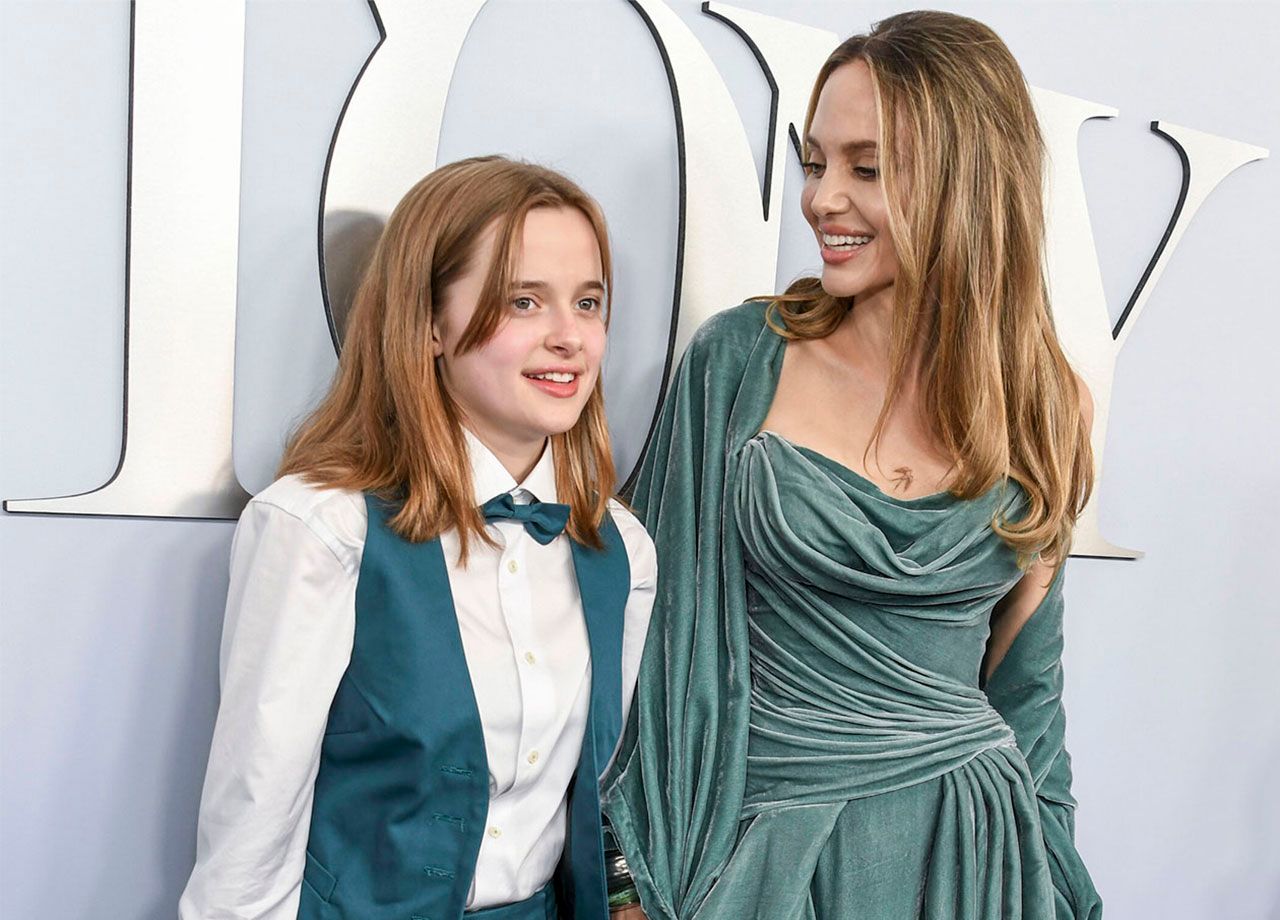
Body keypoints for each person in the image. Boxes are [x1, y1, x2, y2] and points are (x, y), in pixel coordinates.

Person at [602, 11, 1103, 919]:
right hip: (760, 857)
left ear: (965, 184)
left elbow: (1028, 690)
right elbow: (653, 638)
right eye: (815, 162)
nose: (822, 199)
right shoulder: (738, 362)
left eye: (866, 168)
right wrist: (629, 876)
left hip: (971, 859)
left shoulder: (1046, 404)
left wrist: (1058, 881)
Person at [179, 156, 656, 920]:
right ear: (431, 324)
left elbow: (597, 799)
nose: (571, 337)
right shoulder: (320, 527)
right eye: (524, 301)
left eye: (589, 302)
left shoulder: (620, 549)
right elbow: (252, 826)